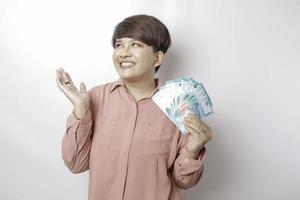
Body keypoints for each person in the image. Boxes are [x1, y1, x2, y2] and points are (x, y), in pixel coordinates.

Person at [56, 14, 213, 200]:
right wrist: (81, 111)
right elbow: (75, 164)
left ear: (157, 58)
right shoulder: (96, 98)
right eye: (119, 45)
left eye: (135, 45)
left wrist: (193, 151)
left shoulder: (179, 107)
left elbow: (184, 182)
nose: (123, 53)